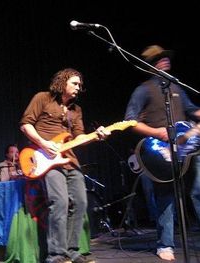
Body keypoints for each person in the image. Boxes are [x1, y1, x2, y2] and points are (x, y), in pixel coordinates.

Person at [20, 68, 109, 263]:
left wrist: (97, 135)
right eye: (75, 83)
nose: (79, 87)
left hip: (70, 160)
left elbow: (80, 138)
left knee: (81, 202)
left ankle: (72, 251)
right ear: (63, 82)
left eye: (80, 85)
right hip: (47, 159)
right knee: (59, 202)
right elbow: (26, 125)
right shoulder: (42, 98)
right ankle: (56, 255)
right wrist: (44, 143)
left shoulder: (76, 110)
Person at [124, 45, 200, 261]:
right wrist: (155, 132)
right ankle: (165, 244)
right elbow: (130, 121)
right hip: (159, 150)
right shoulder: (144, 89)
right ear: (150, 65)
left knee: (197, 190)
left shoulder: (176, 86)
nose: (165, 61)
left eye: (166, 58)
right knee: (166, 196)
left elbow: (192, 110)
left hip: (187, 147)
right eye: (159, 59)